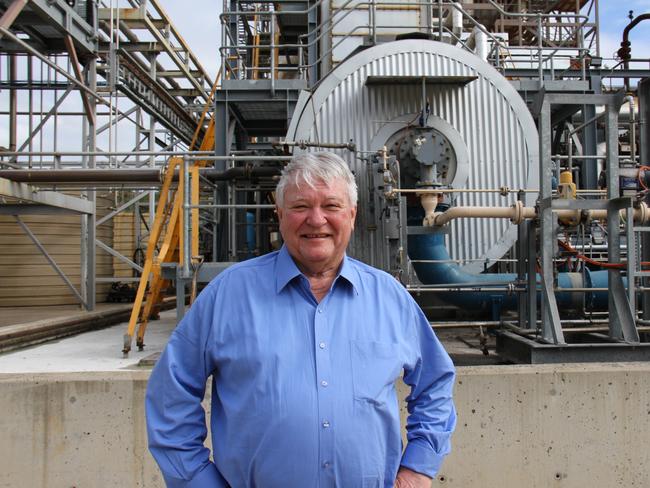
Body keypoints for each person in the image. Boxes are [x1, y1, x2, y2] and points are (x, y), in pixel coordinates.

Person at [146, 152, 456, 488]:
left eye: (331, 206)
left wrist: (418, 467)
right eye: (300, 206)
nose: (316, 219)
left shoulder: (389, 297)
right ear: (280, 214)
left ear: (352, 215)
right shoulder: (228, 295)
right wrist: (196, 480)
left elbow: (435, 382)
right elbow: (170, 396)